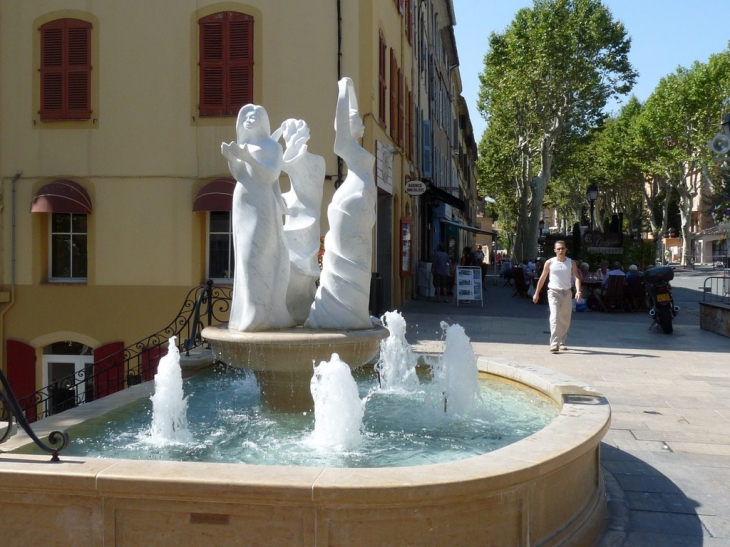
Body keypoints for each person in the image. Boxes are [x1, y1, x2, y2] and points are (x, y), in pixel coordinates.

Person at [307, 78, 376, 329]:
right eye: (356, 120)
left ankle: (354, 312)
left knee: (359, 257)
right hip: (351, 203)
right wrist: (344, 90)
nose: (362, 124)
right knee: (352, 257)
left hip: (360, 203)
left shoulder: (357, 148)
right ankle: (340, 313)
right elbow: (341, 126)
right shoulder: (345, 145)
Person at [222, 104, 295, 331]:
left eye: (255, 115)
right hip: (243, 200)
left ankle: (261, 312)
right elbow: (239, 174)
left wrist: (248, 158)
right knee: (245, 257)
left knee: (258, 253)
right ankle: (252, 310)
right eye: (246, 115)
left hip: (262, 202)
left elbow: (271, 175)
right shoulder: (244, 145)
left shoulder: (272, 146)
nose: (249, 118)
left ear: (263, 121)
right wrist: (233, 158)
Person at [532, 240, 582, 353]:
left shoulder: (571, 262)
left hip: (567, 293)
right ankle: (554, 344)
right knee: (554, 317)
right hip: (553, 293)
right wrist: (537, 293)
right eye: (558, 249)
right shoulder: (550, 262)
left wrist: (578, 291)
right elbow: (543, 278)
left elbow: (577, 277)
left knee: (565, 318)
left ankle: (562, 341)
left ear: (566, 249)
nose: (561, 251)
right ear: (555, 250)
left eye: (562, 248)